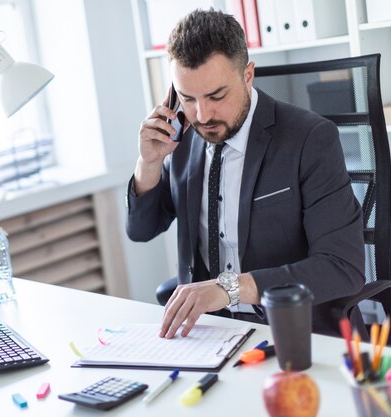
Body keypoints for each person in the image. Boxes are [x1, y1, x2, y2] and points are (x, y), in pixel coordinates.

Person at [125, 9, 365, 339]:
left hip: (290, 329)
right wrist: (148, 163)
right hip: (207, 333)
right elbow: (142, 229)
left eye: (216, 95)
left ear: (248, 75)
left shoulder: (310, 139)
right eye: (188, 98)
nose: (203, 114)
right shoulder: (179, 138)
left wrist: (230, 288)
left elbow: (342, 268)